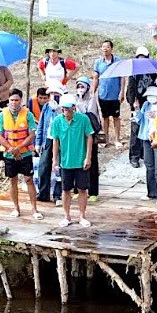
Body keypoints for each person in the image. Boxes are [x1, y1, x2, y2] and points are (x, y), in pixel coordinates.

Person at [46, 95, 95, 228]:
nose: (66, 111)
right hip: (65, 162)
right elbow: (55, 140)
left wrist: (88, 157)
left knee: (82, 189)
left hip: (80, 160)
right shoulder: (57, 121)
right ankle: (66, 216)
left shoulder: (83, 119)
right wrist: (54, 160)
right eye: (64, 108)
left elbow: (89, 137)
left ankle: (82, 216)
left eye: (68, 108)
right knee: (65, 189)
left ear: (74, 108)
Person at [0, 90, 38, 219]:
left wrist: (19, 148)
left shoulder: (27, 114)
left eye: (16, 100)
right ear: (8, 101)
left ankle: (34, 209)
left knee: (29, 180)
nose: (14, 102)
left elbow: (32, 135)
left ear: (20, 101)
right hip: (9, 153)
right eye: (11, 100)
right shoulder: (3, 114)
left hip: (25, 153)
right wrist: (11, 149)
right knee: (13, 180)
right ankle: (16, 208)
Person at [94, 40, 123, 146]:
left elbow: (122, 77)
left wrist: (122, 91)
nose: (105, 49)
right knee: (104, 117)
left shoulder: (118, 61)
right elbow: (95, 78)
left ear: (111, 48)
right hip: (103, 94)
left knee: (116, 117)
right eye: (103, 47)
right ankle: (105, 139)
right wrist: (93, 92)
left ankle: (117, 139)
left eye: (107, 47)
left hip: (115, 95)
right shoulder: (98, 62)